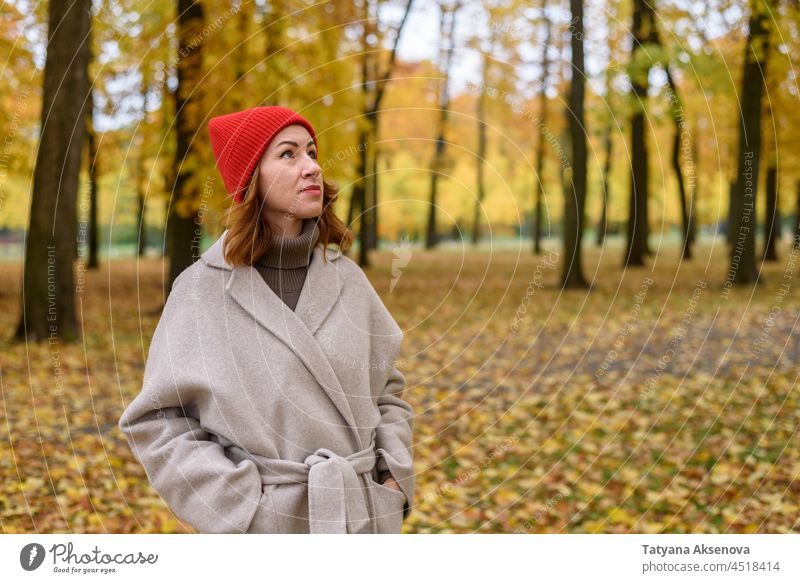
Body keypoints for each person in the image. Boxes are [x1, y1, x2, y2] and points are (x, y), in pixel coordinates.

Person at [118, 106, 414, 534]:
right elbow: (156, 420)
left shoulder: (348, 279)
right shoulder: (201, 291)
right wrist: (239, 507)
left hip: (361, 517)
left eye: (312, 152)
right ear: (250, 178)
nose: (312, 167)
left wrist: (393, 477)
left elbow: (387, 390)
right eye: (288, 154)